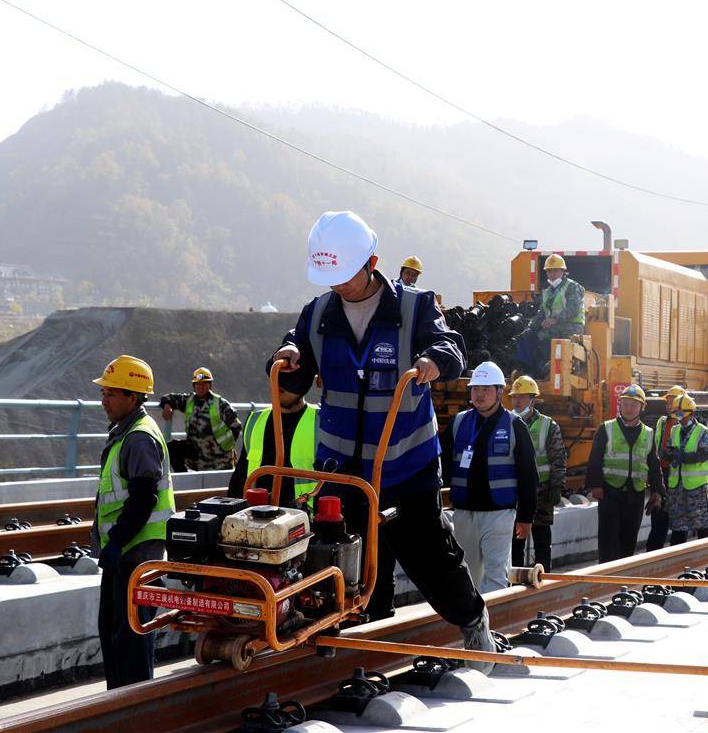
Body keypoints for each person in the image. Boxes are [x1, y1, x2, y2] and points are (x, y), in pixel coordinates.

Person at [267, 210, 496, 671]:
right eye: (329, 277)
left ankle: (474, 623)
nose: (337, 285)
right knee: (338, 559)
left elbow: (451, 347)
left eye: (345, 275)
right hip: (341, 472)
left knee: (429, 556)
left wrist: (434, 360)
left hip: (405, 466)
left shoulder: (414, 308)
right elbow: (295, 366)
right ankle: (352, 648)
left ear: (371, 263)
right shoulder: (318, 315)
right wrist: (287, 355)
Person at [91, 355, 175, 689]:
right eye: (103, 392)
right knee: (116, 635)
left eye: (111, 393)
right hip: (124, 554)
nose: (104, 400)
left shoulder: (139, 438)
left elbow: (143, 499)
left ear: (133, 397)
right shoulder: (125, 433)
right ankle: (120, 703)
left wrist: (115, 542)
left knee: (131, 639)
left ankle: (136, 707)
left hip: (136, 555)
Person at [441, 362, 538, 593]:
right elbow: (441, 467)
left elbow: (528, 475)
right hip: (464, 513)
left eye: (486, 389)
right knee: (467, 576)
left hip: (500, 514)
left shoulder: (515, 425)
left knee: (496, 574)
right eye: (476, 389)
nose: (480, 394)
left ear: (499, 391)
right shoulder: (458, 423)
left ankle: (495, 616)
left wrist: (526, 517)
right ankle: (474, 616)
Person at [585, 384, 663, 562]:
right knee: (608, 539)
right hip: (610, 492)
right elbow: (595, 458)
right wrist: (596, 485)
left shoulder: (648, 433)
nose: (629, 408)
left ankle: (623, 575)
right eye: (626, 404)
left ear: (641, 408)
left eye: (634, 405)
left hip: (636, 494)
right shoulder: (607, 428)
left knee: (629, 540)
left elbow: (654, 464)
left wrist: (657, 491)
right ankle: (605, 574)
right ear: (620, 405)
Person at [507, 375, 567, 572]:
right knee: (515, 542)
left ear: (532, 399)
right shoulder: (506, 422)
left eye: (522, 397)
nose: (517, 401)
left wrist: (557, 486)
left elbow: (558, 458)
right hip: (514, 491)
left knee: (542, 540)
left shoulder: (548, 425)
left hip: (542, 491)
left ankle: (544, 578)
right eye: (514, 397)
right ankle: (515, 579)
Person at [229, 384, 318, 508]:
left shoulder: (321, 422)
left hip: (304, 516)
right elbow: (240, 477)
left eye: (290, 378)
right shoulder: (255, 420)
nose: (282, 383)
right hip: (257, 515)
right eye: (277, 376)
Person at [514, 254, 586, 376]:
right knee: (527, 335)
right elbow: (542, 313)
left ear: (563, 271)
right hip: (554, 326)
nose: (551, 274)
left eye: (555, 271)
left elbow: (573, 308)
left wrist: (554, 320)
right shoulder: (547, 292)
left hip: (573, 327)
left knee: (544, 335)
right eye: (549, 271)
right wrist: (530, 327)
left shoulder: (572, 287)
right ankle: (525, 369)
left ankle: (544, 371)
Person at [159, 368, 242, 472]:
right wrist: (167, 405)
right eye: (198, 384)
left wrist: (225, 446)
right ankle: (185, 476)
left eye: (204, 384)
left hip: (218, 459)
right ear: (194, 386)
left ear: (210, 385)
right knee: (171, 448)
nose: (201, 387)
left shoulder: (220, 403)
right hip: (196, 454)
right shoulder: (189, 400)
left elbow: (236, 426)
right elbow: (169, 397)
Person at [661, 395, 708, 545]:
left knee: (701, 525)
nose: (679, 419)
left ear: (691, 413)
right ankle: (678, 555)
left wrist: (683, 456)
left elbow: (704, 454)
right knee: (678, 527)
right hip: (677, 487)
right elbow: (667, 451)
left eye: (681, 415)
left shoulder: (703, 431)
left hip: (696, 488)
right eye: (677, 415)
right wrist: (669, 455)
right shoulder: (674, 430)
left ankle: (705, 554)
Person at [646, 385, 686, 551]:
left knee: (679, 522)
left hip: (680, 478)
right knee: (658, 518)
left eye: (672, 401)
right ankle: (653, 554)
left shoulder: (688, 424)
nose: (669, 405)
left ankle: (676, 556)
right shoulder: (662, 422)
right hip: (662, 475)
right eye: (667, 402)